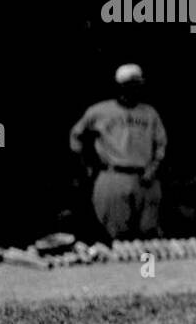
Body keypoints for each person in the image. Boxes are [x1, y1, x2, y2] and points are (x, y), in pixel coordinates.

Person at [68, 64, 167, 240]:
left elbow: (161, 145)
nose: (135, 88)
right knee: (115, 234)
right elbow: (76, 136)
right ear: (120, 86)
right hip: (114, 175)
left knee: (148, 233)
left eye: (137, 83)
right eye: (130, 84)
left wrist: (154, 167)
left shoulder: (150, 113)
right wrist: (86, 165)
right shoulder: (100, 110)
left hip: (145, 177)